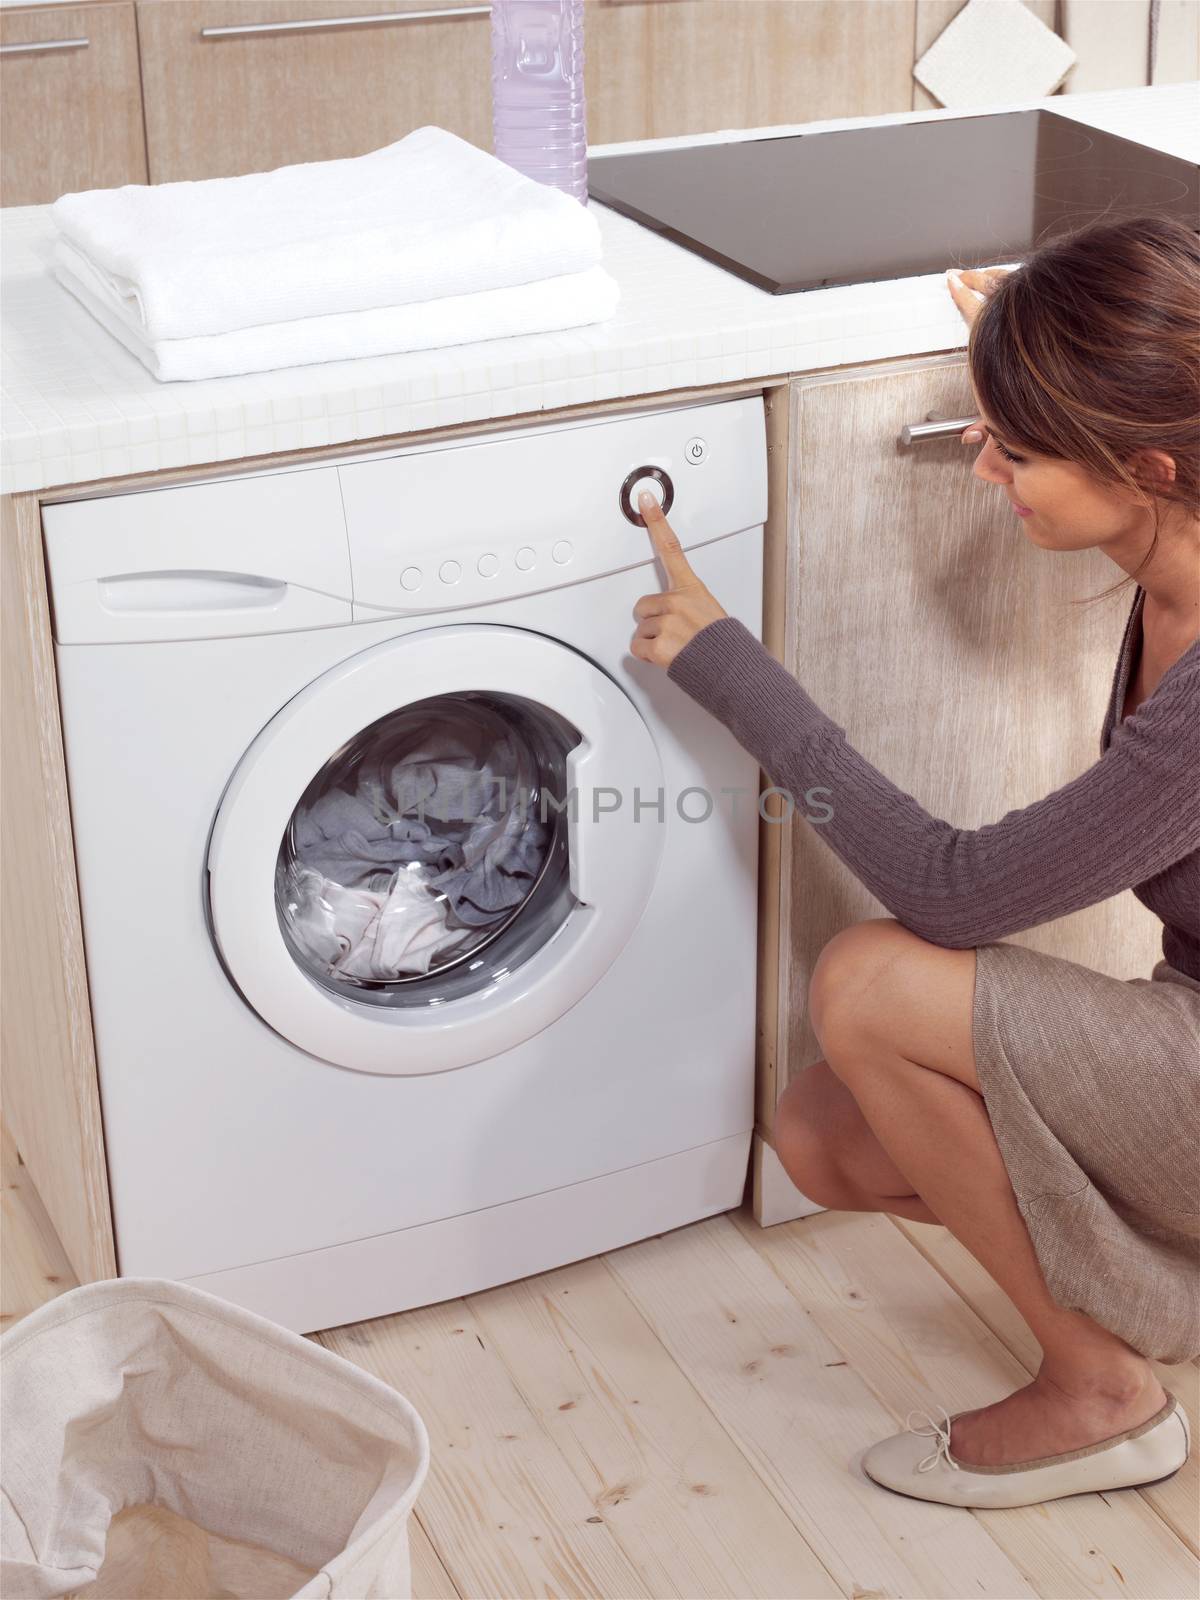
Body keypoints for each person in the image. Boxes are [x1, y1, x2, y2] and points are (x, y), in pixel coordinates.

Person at [629, 214, 1199, 1510]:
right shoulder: (1176, 529)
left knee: (875, 980)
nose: (985, 469)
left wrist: (734, 671)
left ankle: (1101, 1397)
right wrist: (1036, 348)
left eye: (1016, 449)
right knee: (829, 1139)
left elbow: (952, 893)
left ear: (1150, 463)